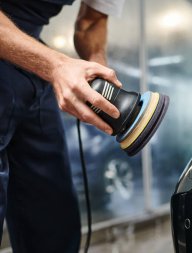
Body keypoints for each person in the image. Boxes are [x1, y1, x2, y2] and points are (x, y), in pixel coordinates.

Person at [0, 0, 125, 251]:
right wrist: (55, 65)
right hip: (32, 55)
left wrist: (97, 70)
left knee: (52, 216)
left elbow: (92, 22)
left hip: (32, 64)